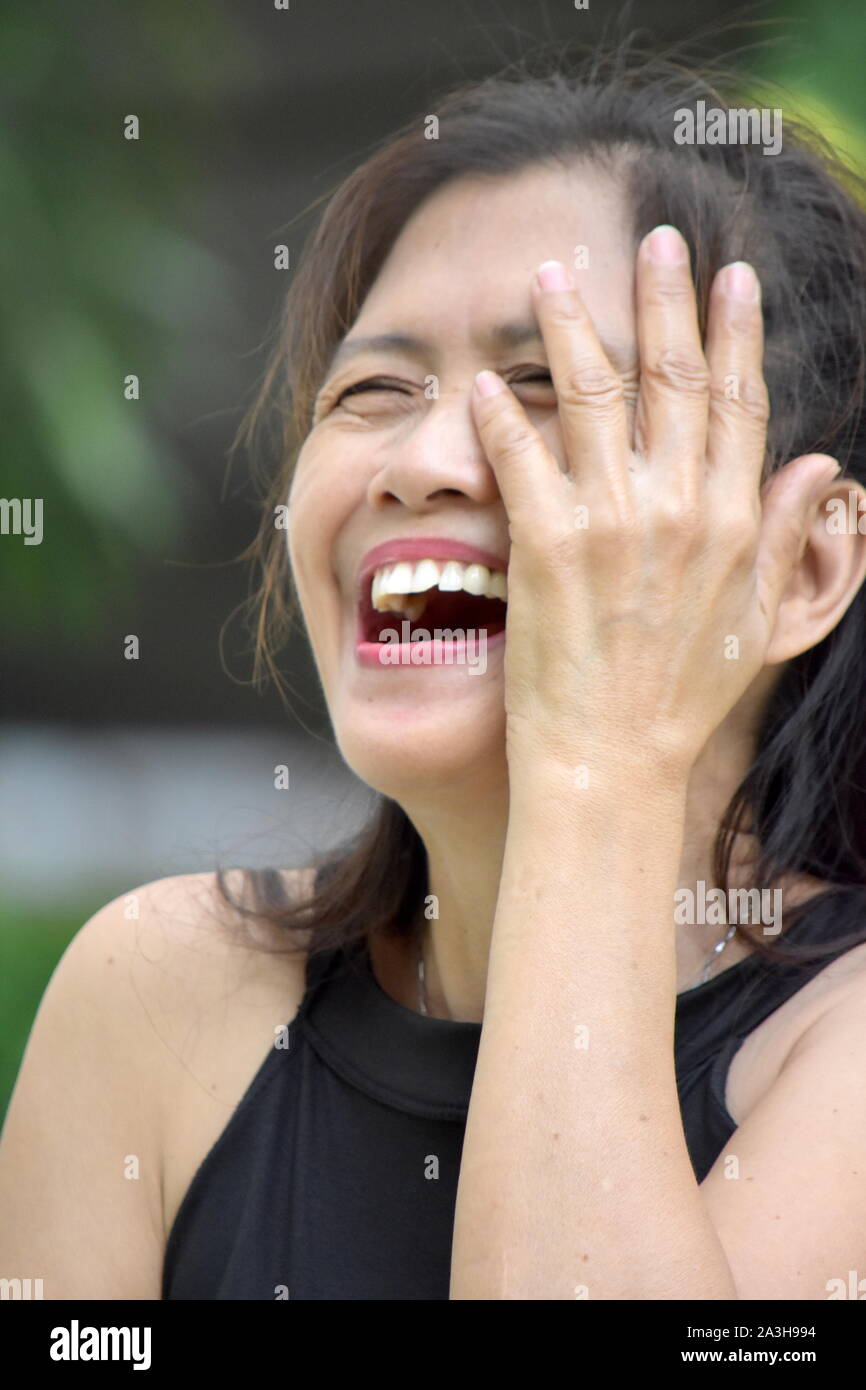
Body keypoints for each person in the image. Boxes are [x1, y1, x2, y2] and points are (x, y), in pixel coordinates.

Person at [3, 39, 866, 1301]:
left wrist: (595, 763)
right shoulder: (153, 997)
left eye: (543, 382)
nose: (420, 458)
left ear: (795, 568)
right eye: (373, 387)